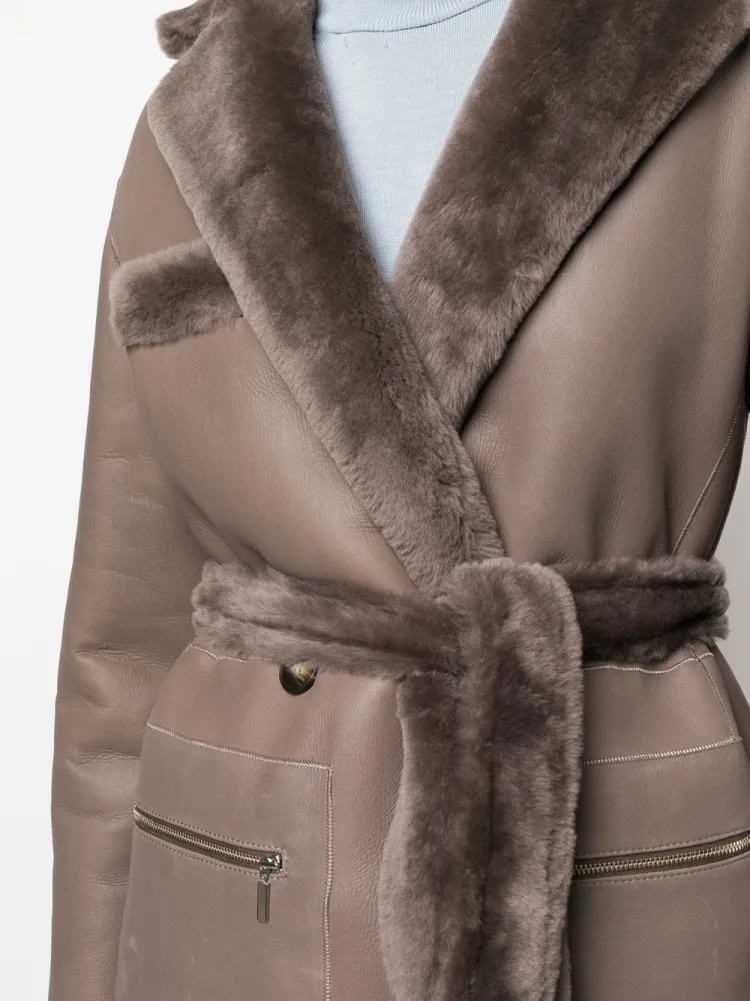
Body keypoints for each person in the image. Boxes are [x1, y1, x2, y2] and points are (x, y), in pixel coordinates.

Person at [49, 1, 750, 999]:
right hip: (244, 888)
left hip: (627, 849)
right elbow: (119, 652)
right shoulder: (189, 124)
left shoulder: (704, 64)